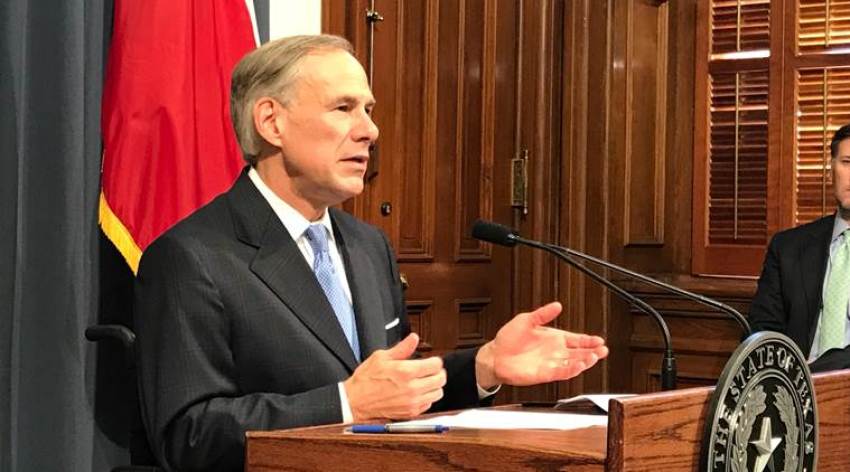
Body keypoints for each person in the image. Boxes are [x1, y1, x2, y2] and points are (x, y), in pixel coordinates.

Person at [133, 34, 608, 471]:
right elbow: (186, 436)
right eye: (343, 107)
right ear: (271, 121)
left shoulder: (366, 244)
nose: (370, 130)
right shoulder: (192, 257)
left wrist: (484, 365)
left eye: (368, 109)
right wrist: (345, 403)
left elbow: (391, 389)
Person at [749, 124, 850, 370]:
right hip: (791, 395)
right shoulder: (788, 248)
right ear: (831, 170)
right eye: (847, 162)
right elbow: (762, 333)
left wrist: (813, 372)